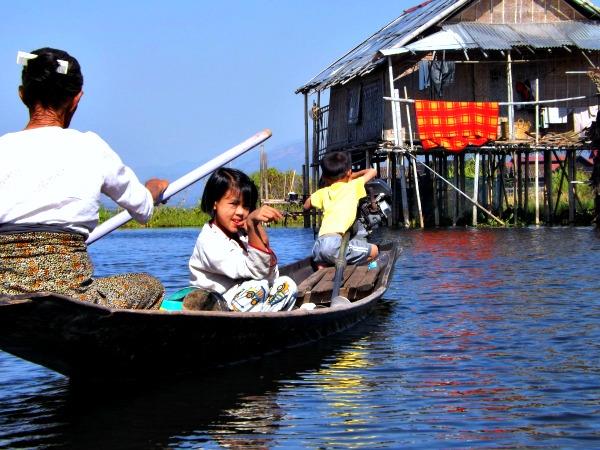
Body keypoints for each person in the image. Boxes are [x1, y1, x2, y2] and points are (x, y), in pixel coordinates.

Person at [0, 47, 169, 309]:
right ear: (76, 99)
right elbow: (143, 209)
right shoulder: (91, 147)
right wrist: (153, 189)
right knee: (150, 286)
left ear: (22, 95)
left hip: (6, 299)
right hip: (72, 297)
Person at [188, 168, 297, 312]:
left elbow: (271, 275)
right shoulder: (208, 241)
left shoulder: (242, 236)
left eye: (246, 206)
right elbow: (258, 274)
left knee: (287, 284)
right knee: (259, 287)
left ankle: (264, 320)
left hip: (248, 300)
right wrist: (252, 224)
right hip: (213, 307)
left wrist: (255, 227)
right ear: (215, 203)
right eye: (233, 204)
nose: (241, 212)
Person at [304, 151, 379, 268]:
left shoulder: (323, 192)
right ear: (349, 172)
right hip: (334, 244)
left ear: (324, 177)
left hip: (318, 246)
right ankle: (354, 271)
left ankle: (322, 267)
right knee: (374, 250)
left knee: (326, 259)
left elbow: (306, 205)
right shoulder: (354, 185)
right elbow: (372, 171)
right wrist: (352, 176)